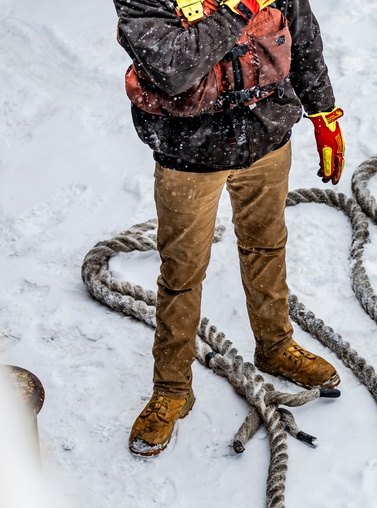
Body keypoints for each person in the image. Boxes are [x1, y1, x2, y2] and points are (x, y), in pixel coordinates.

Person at [113, 0, 345, 456]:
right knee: (182, 272)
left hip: (267, 138)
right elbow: (172, 70)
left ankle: (275, 347)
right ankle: (172, 388)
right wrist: (240, 9)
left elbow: (303, 35)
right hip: (188, 156)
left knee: (266, 245)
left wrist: (324, 114)